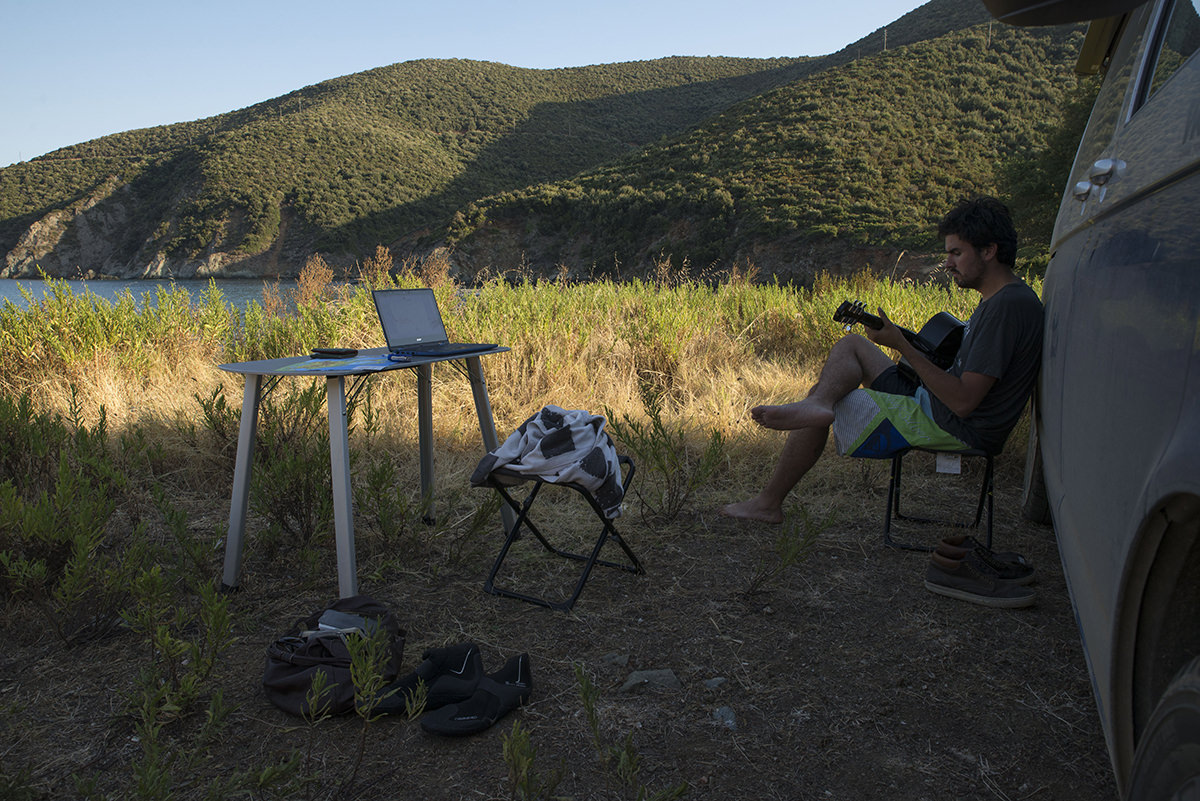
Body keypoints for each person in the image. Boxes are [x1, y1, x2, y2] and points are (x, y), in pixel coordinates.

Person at [720, 197, 1043, 535]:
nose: (948, 263)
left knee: (837, 398)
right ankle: (817, 406)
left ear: (989, 250)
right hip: (940, 407)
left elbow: (964, 402)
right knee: (853, 345)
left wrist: (902, 345)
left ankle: (769, 502)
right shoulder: (1004, 299)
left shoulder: (1006, 308)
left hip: (954, 425)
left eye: (956, 253)